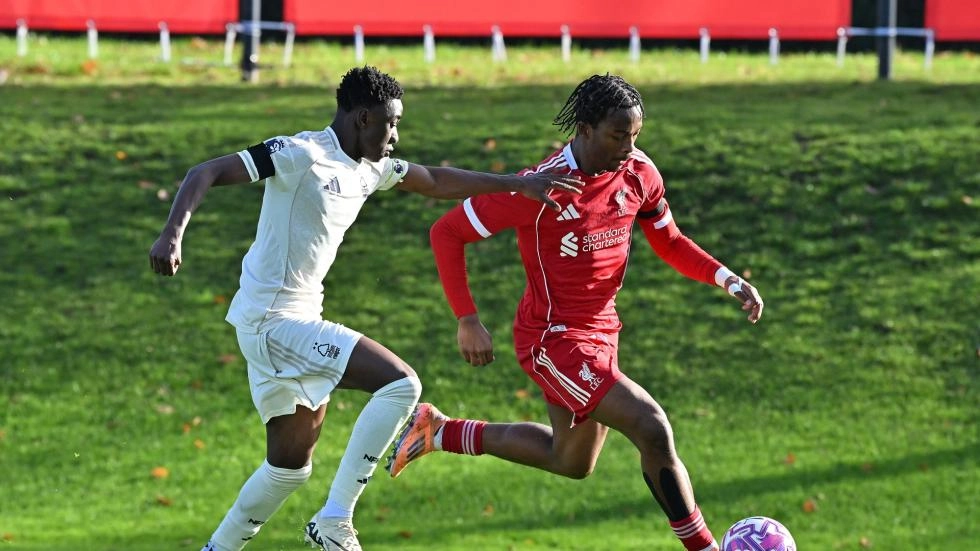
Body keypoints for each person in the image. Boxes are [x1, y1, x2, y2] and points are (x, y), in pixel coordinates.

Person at [148, 66, 581, 551]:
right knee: (402, 384)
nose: (395, 136)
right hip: (271, 321)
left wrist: (514, 183)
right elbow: (203, 171)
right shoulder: (300, 154)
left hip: (294, 322)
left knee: (288, 469)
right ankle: (334, 520)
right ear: (361, 118)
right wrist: (172, 234)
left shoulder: (371, 168)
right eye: (390, 123)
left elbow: (435, 179)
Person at [387, 73, 763, 551]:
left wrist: (726, 278)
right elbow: (447, 232)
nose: (628, 147)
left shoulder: (638, 174)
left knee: (572, 461)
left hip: (602, 332)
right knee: (651, 427)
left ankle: (439, 430)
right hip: (553, 339)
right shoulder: (538, 188)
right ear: (584, 129)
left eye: (635, 136)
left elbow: (668, 241)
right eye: (617, 135)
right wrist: (467, 318)